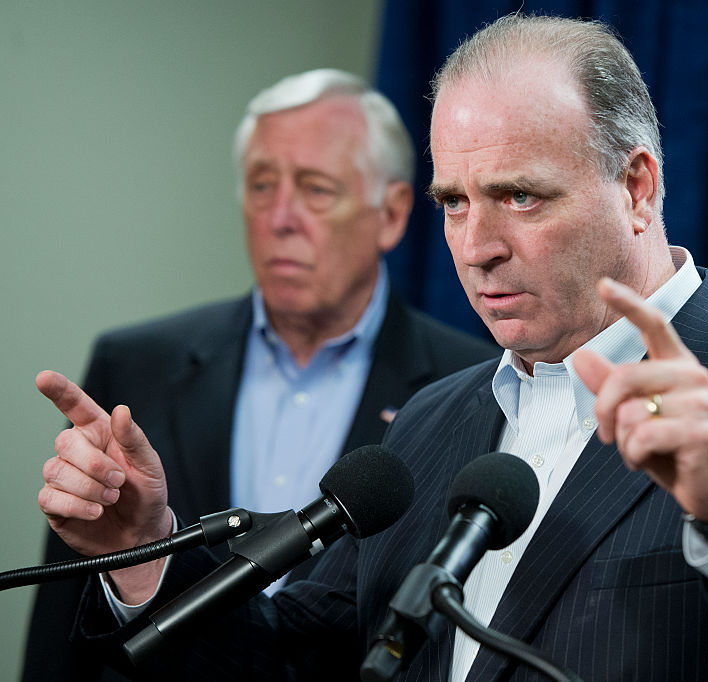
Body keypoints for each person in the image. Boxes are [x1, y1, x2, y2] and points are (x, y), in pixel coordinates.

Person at [33, 16, 708, 681]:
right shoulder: (435, 424)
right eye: (454, 202)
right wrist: (143, 554)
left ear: (638, 186)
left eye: (521, 196)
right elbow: (293, 662)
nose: (477, 245)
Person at [22, 69, 498, 682]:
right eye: (261, 185)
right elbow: (60, 632)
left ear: (393, 213)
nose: (280, 218)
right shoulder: (136, 365)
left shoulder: (472, 384)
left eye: (316, 189)